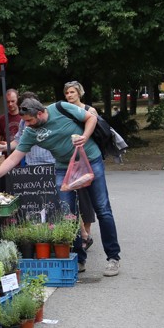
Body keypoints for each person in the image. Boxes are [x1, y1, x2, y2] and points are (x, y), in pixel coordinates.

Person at [0, 98, 122, 277]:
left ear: (40, 113)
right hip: (64, 167)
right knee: (68, 213)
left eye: (30, 120)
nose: (27, 125)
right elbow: (13, 158)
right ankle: (78, 258)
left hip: (90, 160)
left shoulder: (60, 108)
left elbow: (90, 118)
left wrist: (85, 137)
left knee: (102, 208)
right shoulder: (30, 131)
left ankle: (113, 258)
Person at [62, 81, 98, 250]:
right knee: (73, 197)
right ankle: (84, 234)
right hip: (71, 159)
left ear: (79, 93)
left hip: (87, 159)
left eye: (72, 92)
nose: (69, 95)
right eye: (67, 93)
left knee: (86, 198)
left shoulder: (89, 111)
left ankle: (86, 234)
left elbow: (96, 133)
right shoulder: (64, 112)